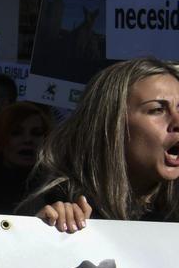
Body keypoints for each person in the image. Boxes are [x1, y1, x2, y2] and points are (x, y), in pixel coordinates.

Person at [24, 57, 179, 232]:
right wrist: (39, 235)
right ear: (112, 124)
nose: (177, 120)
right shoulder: (58, 206)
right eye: (157, 110)